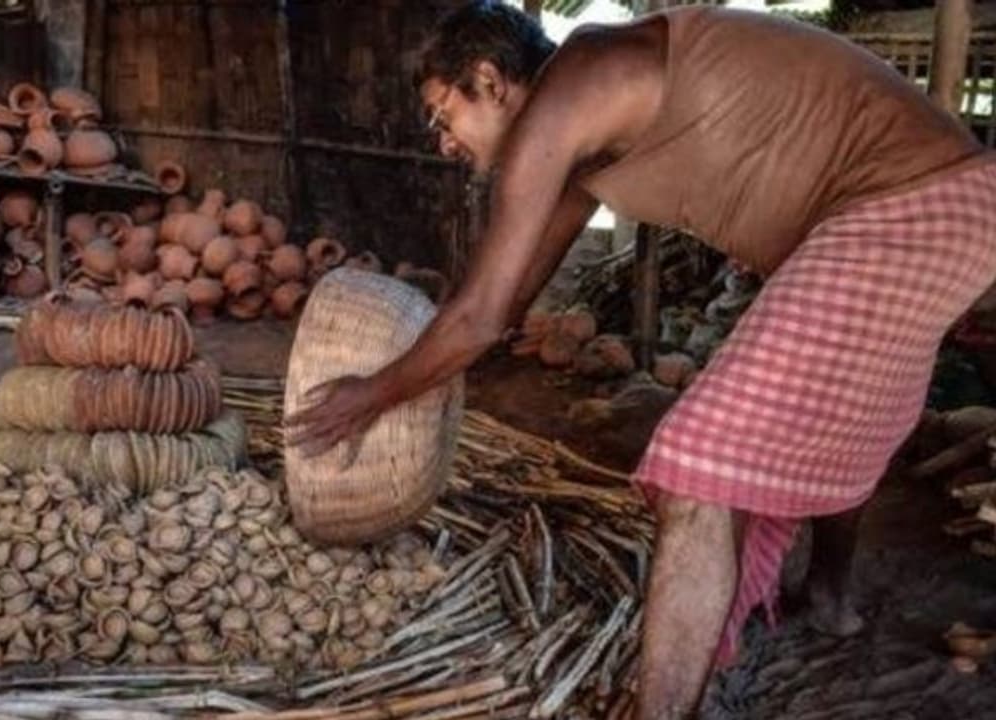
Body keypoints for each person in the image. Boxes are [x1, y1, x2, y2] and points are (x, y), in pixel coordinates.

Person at [284, 2, 996, 717]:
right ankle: (828, 598)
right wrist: (428, 369)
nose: (443, 142)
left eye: (444, 115)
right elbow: (507, 303)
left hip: (915, 208)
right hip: (941, 207)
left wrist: (370, 395)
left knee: (701, 466)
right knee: (841, 407)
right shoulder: (580, 136)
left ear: (490, 81)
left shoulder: (570, 89)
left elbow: (480, 318)